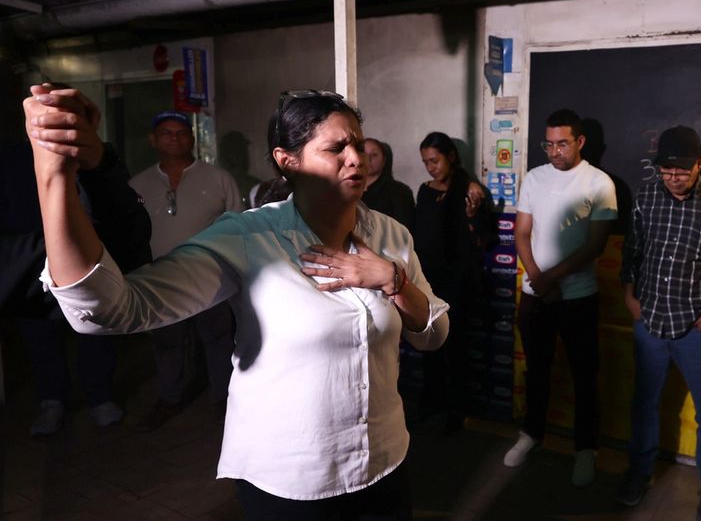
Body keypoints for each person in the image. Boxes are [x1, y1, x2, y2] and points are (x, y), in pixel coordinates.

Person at [24, 85, 448, 520]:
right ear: (288, 161)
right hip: (293, 481)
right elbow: (112, 310)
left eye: (357, 144)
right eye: (336, 148)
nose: (356, 158)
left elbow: (433, 335)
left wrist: (393, 280)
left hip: (384, 462)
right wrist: (54, 178)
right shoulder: (249, 237)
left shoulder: (390, 234)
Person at [1, 82, 152, 435]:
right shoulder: (10, 162)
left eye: (65, 115)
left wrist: (97, 163)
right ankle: (52, 401)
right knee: (42, 342)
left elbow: (128, 241)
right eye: (46, 113)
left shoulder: (92, 158)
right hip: (29, 269)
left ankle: (100, 396)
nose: (54, 122)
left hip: (86, 265)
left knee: (95, 333)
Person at [617, 125, 701, 520]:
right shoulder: (647, 195)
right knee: (644, 404)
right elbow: (633, 249)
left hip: (698, 325)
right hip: (650, 319)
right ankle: (639, 473)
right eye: (666, 170)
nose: (673, 178)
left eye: (682, 170)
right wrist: (629, 295)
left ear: (700, 163)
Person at [504, 108, 618, 488]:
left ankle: (586, 449)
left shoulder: (600, 182)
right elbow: (522, 233)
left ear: (580, 142)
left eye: (562, 144)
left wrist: (550, 278)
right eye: (549, 144)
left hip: (578, 297)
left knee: (584, 375)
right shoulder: (534, 178)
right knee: (536, 370)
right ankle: (531, 434)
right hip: (535, 295)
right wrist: (537, 278)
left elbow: (595, 245)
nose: (554, 151)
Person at [129, 110, 243, 429]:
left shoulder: (218, 178)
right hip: (160, 279)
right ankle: (170, 397)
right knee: (167, 342)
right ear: (153, 140)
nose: (175, 138)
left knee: (218, 340)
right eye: (167, 133)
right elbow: (129, 233)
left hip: (211, 277)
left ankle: (225, 400)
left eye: (181, 133)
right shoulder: (138, 184)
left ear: (192, 139)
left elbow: (239, 226)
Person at [412, 131, 496, 432]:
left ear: (450, 157)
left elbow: (484, 239)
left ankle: (457, 408)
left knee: (457, 348)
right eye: (426, 162)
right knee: (430, 345)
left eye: (435, 160)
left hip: (458, 283)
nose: (430, 167)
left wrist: (472, 214)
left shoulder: (470, 191)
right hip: (428, 281)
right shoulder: (424, 191)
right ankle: (432, 400)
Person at [363, 138, 415, 229]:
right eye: (363, 153)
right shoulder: (348, 189)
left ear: (384, 160)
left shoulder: (399, 192)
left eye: (374, 154)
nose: (368, 159)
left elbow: (402, 230)